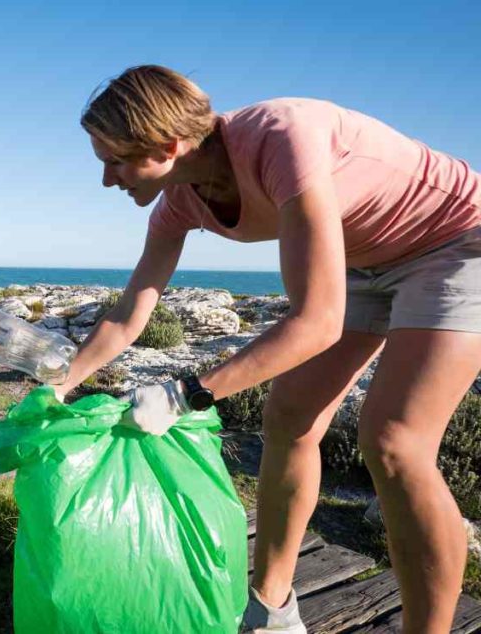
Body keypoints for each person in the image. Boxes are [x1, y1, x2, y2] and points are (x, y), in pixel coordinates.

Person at [53, 65, 481, 633]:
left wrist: (187, 395)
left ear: (169, 144)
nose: (108, 179)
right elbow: (132, 313)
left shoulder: (283, 139)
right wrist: (56, 382)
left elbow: (317, 322)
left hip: (455, 242)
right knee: (289, 417)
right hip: (361, 258)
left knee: (395, 442)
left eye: (116, 160)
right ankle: (272, 611)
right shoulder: (180, 200)